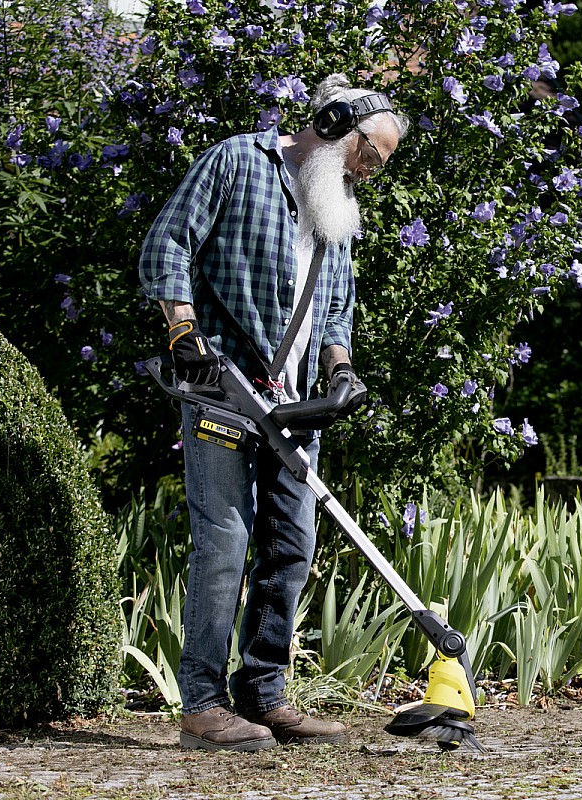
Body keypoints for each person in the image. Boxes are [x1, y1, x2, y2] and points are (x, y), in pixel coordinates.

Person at [139, 73, 410, 752]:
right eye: (368, 154)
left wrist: (341, 370)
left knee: (292, 546)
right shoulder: (237, 161)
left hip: (293, 406)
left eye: (379, 164)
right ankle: (202, 704)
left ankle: (264, 694)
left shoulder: (335, 201)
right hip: (222, 391)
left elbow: (337, 302)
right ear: (334, 122)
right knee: (225, 541)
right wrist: (182, 333)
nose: (368, 171)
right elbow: (168, 243)